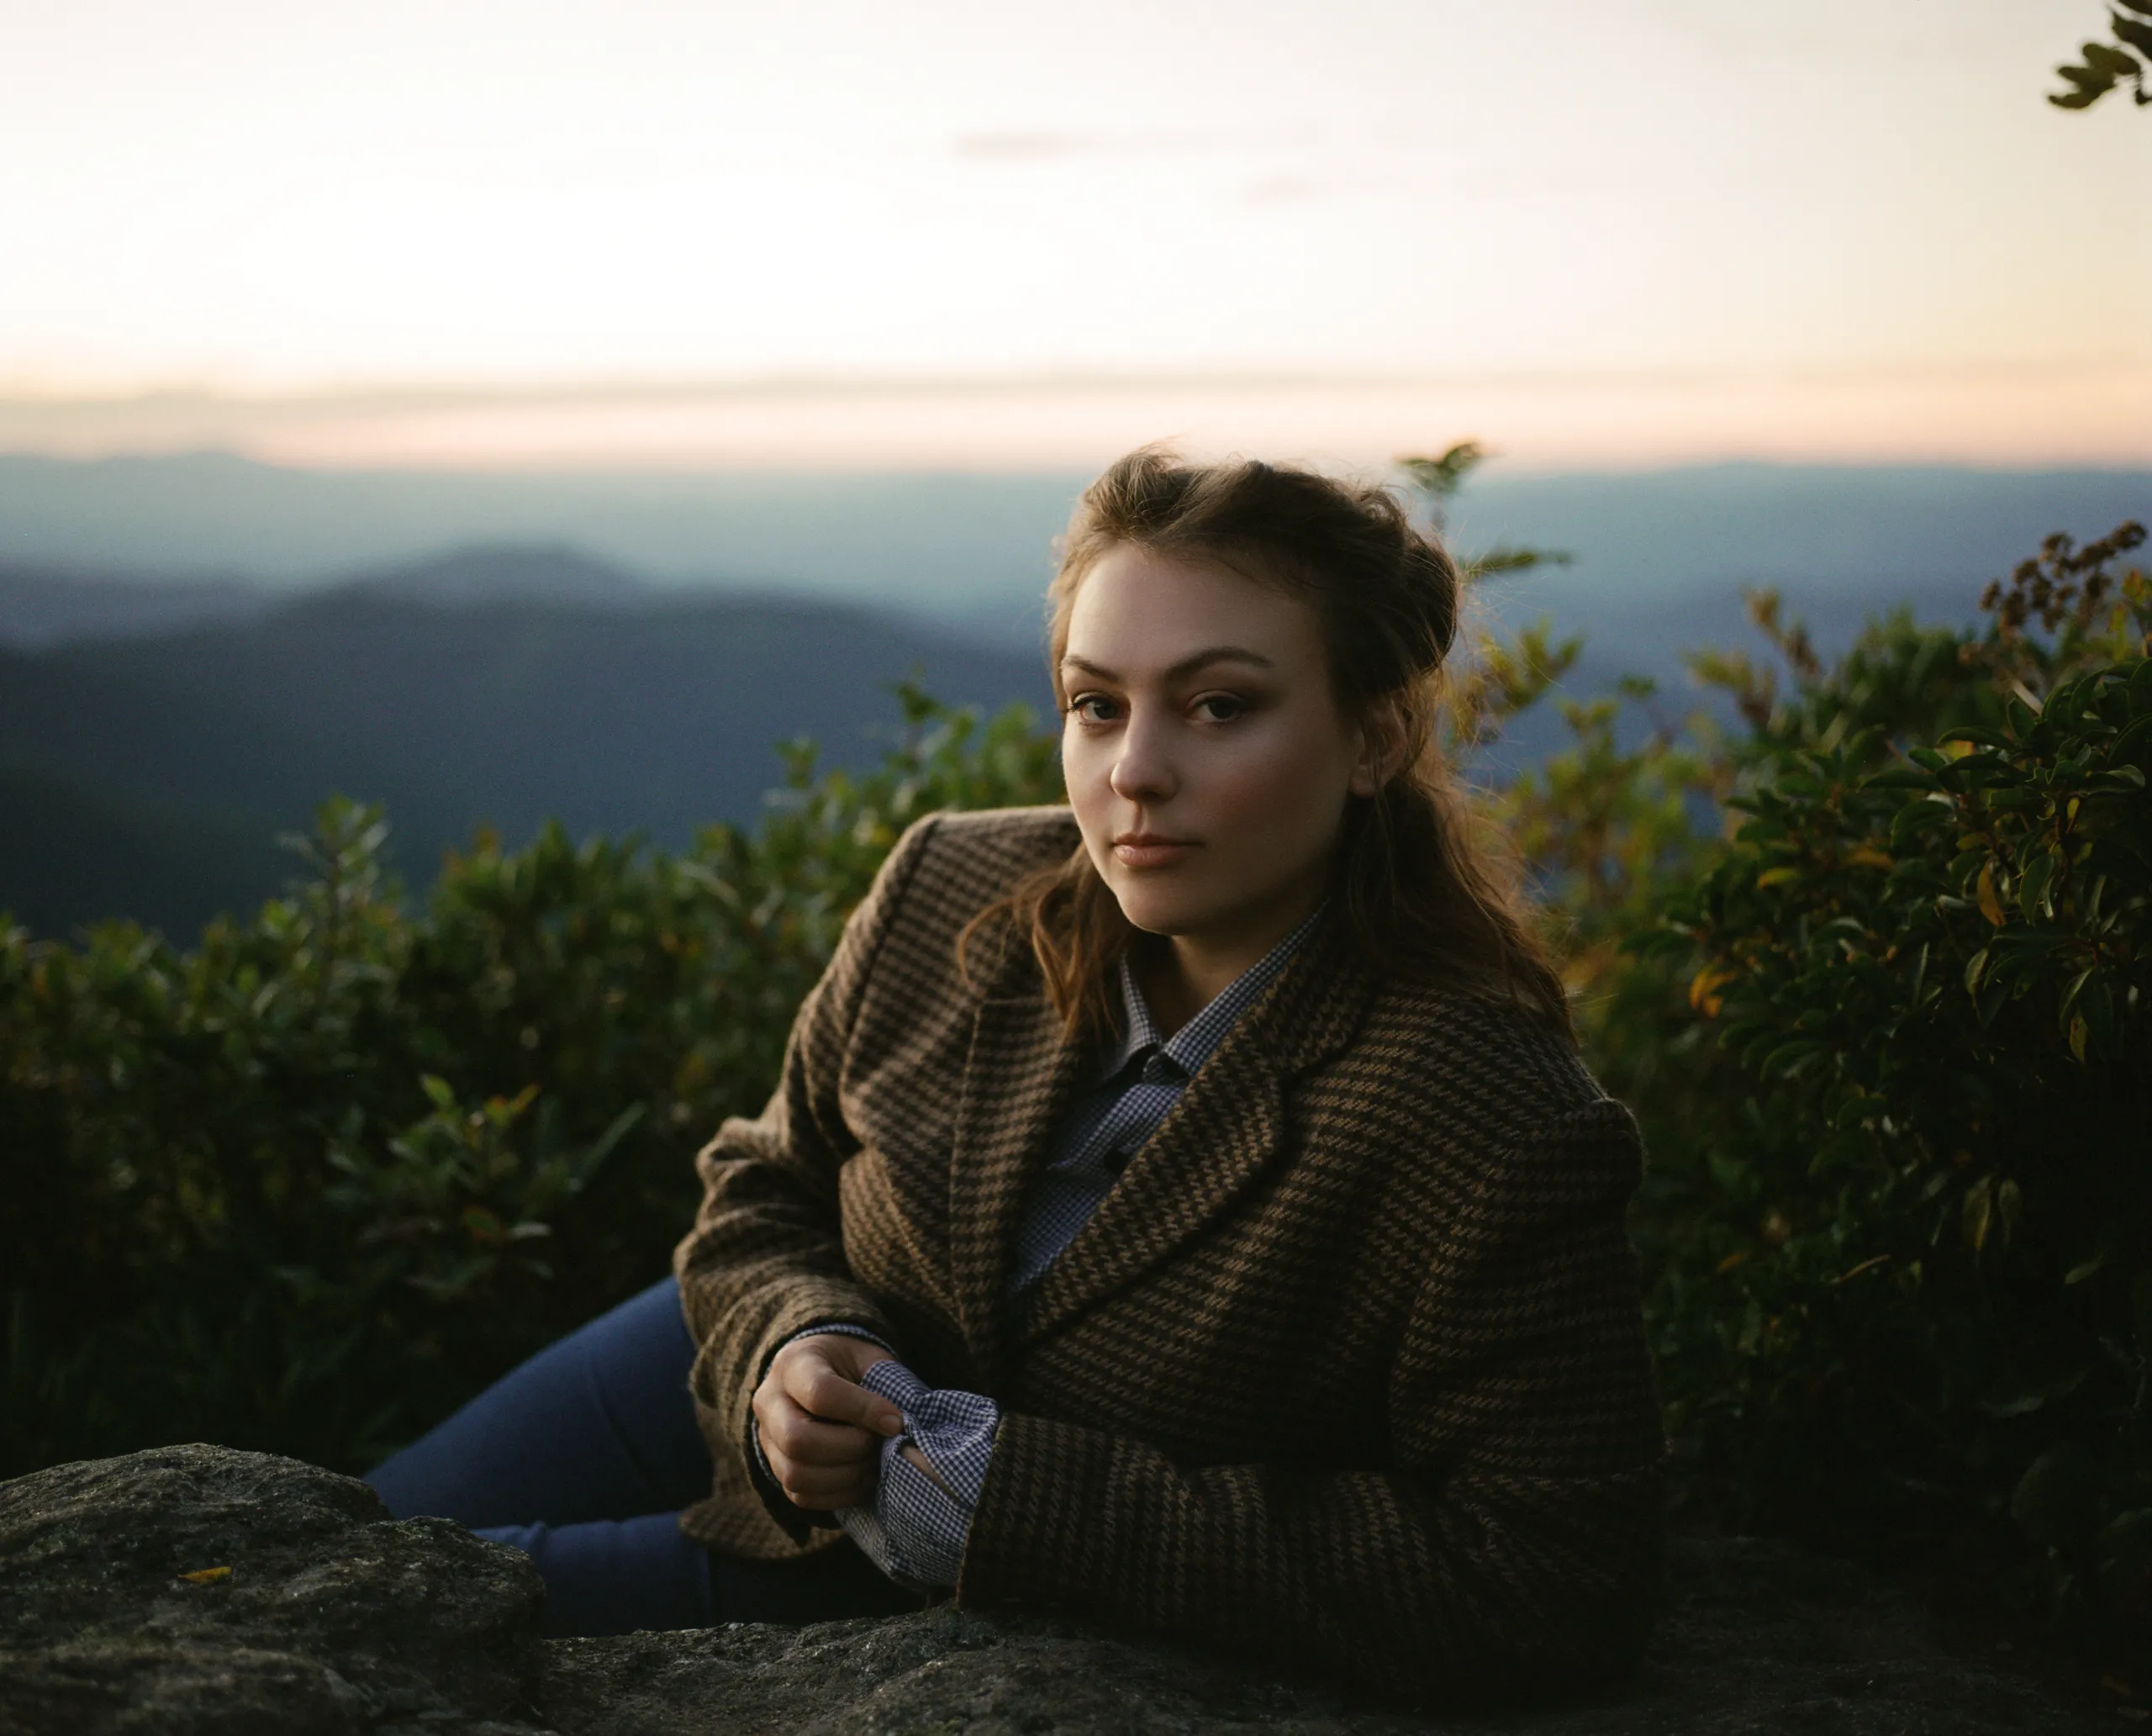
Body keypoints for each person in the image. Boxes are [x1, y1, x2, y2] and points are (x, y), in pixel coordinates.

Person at [367, 449, 1664, 1702]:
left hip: (889, 1585)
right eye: (1097, 705)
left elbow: (1547, 1581)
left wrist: (1028, 1507)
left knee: (390, 1625)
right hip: (721, 1356)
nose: (1134, 771)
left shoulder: (1491, 1124)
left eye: (1219, 706)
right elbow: (766, 1177)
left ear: (1375, 738)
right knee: (352, 1532)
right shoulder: (953, 881)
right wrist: (792, 1340)